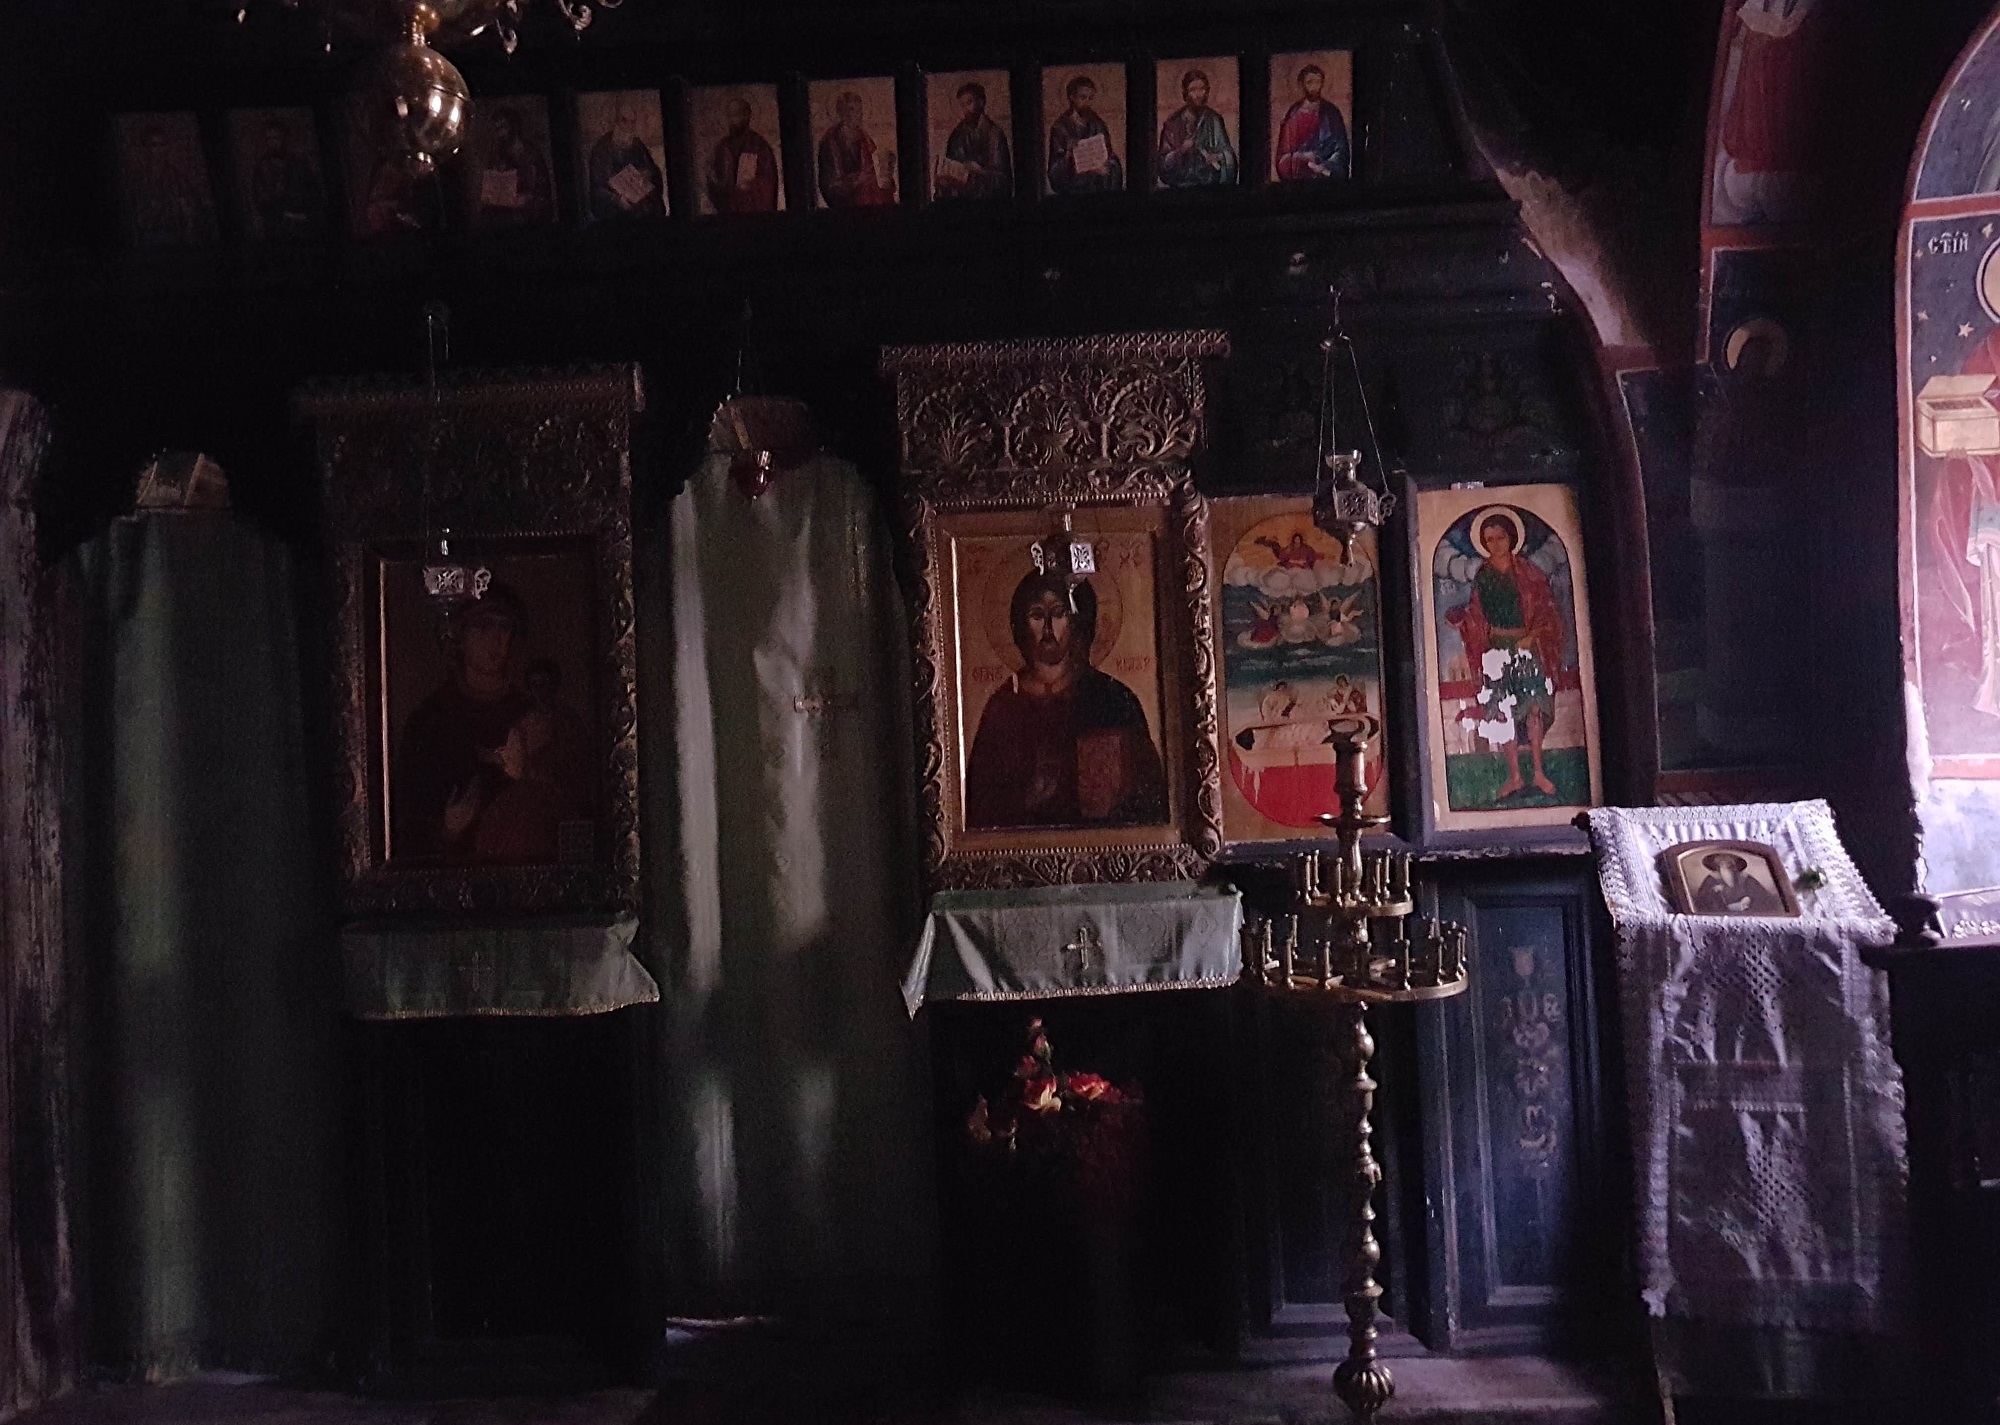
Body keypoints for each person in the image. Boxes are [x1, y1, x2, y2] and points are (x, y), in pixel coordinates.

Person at [392, 588, 587, 864]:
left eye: (504, 627)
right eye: (483, 627)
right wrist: (447, 832)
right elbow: (406, 829)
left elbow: (570, 811)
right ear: (459, 636)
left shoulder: (532, 715)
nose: (496, 640)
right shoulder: (429, 721)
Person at [963, 572, 1165, 828]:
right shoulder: (1003, 708)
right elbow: (978, 809)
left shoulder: (1113, 700)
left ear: (1077, 622)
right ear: (1020, 625)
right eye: (1037, 615)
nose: (1048, 628)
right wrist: (1027, 799)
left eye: (1058, 613)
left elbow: (1149, 800)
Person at [1447, 513, 1567, 801]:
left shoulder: (1527, 572)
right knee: (1503, 714)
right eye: (1489, 540)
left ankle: (1538, 772)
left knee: (1533, 710)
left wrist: (1532, 634)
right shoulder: (1483, 576)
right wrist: (1463, 622)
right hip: (1495, 649)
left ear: (1511, 538)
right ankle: (1514, 777)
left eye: (1500, 537)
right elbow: (1477, 615)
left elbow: (1546, 608)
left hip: (1526, 647)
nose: (1495, 544)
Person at [128, 123, 213, 247]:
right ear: (146, 148)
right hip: (148, 241)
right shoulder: (138, 181)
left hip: (176, 239)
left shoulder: (178, 180)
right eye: (154, 145)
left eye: (163, 145)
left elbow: (192, 213)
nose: (159, 150)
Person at [1155, 69, 1238, 188]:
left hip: (1210, 188)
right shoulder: (1172, 123)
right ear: (1185, 93)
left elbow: (1228, 153)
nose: (1198, 94)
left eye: (1202, 89)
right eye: (1193, 90)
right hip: (1179, 190)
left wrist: (1218, 156)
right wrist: (1181, 150)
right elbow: (1162, 164)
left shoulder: (1214, 120)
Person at [587, 96, 664, 222]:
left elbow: (654, 172)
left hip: (639, 206)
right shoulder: (601, 149)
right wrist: (616, 200)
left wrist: (648, 173)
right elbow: (597, 188)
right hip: (613, 209)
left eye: (632, 122)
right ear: (616, 121)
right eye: (624, 120)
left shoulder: (638, 145)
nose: (628, 126)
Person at [476, 105, 551, 228]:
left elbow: (542, 192)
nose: (500, 133)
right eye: (497, 129)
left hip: (527, 221)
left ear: (514, 127)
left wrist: (526, 199)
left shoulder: (531, 154)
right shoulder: (496, 155)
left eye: (503, 127)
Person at [934, 81, 1012, 200]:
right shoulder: (957, 135)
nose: (966, 109)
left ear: (981, 102)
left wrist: (979, 171)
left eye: (970, 102)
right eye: (963, 105)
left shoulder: (995, 134)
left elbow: (1003, 180)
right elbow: (950, 167)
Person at [1046, 74, 1123, 195]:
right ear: (1072, 97)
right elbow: (1055, 170)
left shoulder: (1098, 124)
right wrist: (1070, 155)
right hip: (1072, 194)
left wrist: (1108, 168)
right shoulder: (1060, 128)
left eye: (1090, 98)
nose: (1087, 102)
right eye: (1083, 97)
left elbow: (1110, 157)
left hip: (1098, 191)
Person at [817, 91, 895, 207]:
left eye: (859, 110)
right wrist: (856, 181)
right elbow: (830, 185)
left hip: (866, 197)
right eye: (851, 109)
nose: (856, 114)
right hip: (845, 202)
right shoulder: (830, 142)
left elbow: (873, 173)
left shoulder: (864, 138)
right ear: (840, 111)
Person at [1273, 64, 1350, 182]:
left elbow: (1340, 147)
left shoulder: (1331, 112)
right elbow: (1283, 150)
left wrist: (1325, 166)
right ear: (1302, 84)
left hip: (1323, 171)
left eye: (1318, 82)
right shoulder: (1293, 112)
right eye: (1309, 82)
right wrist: (1300, 158)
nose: (1314, 87)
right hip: (1297, 172)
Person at [704, 95, 780, 214]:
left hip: (754, 213)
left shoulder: (759, 146)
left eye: (737, 115)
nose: (733, 120)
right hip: (729, 214)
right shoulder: (722, 147)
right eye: (730, 116)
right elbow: (714, 182)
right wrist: (716, 183)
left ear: (747, 116)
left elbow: (769, 181)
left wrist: (751, 186)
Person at [248, 117, 320, 240]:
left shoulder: (300, 165)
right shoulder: (262, 168)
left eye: (276, 138)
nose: (273, 143)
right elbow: (260, 200)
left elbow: (313, 194)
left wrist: (303, 214)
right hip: (276, 228)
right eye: (269, 139)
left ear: (284, 139)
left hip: (301, 226)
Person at [1691, 851, 1787, 914]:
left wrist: (1750, 899)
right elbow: (1701, 901)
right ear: (1718, 867)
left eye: (1730, 865)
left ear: (1735, 866)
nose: (1727, 868)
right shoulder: (1711, 879)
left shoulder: (1746, 878)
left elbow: (1765, 897)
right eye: (1723, 865)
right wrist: (1713, 892)